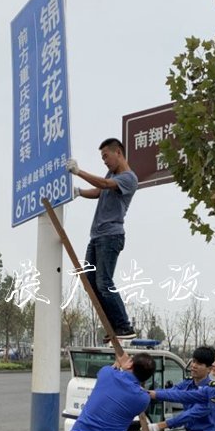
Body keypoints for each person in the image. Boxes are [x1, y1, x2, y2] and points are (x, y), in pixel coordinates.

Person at [66, 138, 137, 340]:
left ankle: (124, 326)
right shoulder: (112, 174)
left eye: (106, 156)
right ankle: (112, 325)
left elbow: (105, 184)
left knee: (104, 282)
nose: (104, 161)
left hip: (111, 236)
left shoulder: (128, 178)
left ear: (119, 153)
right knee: (90, 282)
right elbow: (99, 190)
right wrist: (79, 192)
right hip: (96, 236)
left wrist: (78, 172)